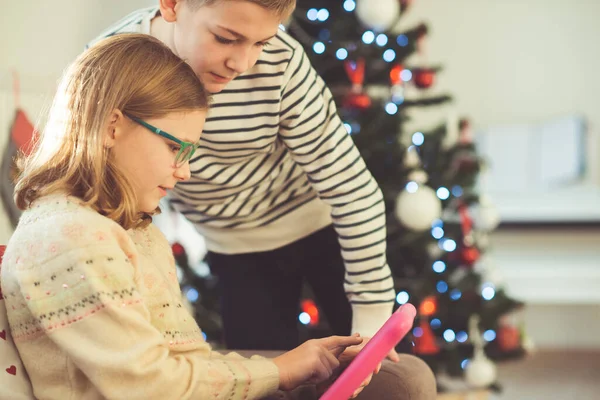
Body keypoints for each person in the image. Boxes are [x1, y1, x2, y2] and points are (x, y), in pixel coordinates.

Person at [0, 33, 375, 400]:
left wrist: (292, 370)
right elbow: (152, 386)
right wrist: (280, 371)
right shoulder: (71, 238)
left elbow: (180, 364)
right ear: (112, 126)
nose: (185, 172)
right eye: (174, 147)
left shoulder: (125, 230)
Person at [90, 0, 400, 354]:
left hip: (323, 225)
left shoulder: (283, 63)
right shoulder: (109, 64)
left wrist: (374, 313)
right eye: (225, 39)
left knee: (383, 372)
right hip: (235, 247)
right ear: (172, 5)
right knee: (264, 377)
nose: (243, 64)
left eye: (261, 43)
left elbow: (351, 188)